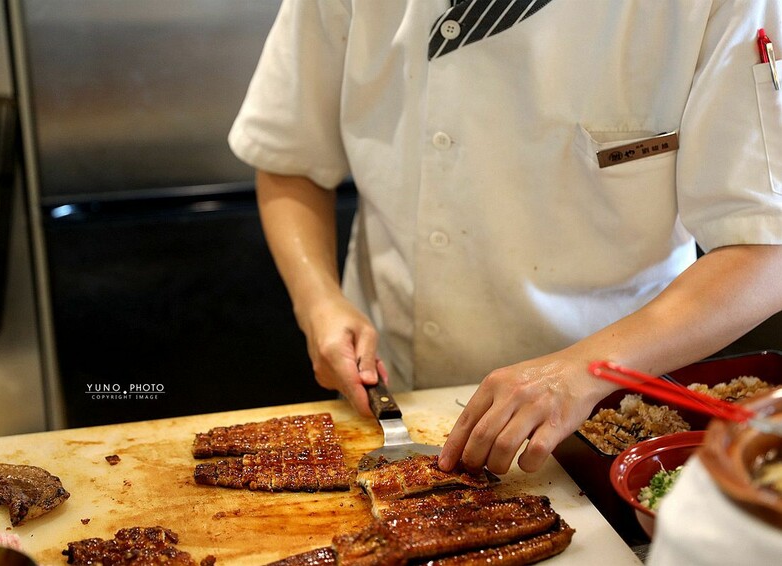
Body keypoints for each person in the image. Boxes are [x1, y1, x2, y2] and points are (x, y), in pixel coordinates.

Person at [228, 0, 782, 475]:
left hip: (613, 416)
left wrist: (586, 369)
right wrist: (318, 302)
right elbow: (290, 156)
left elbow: (765, 247)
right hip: (389, 388)